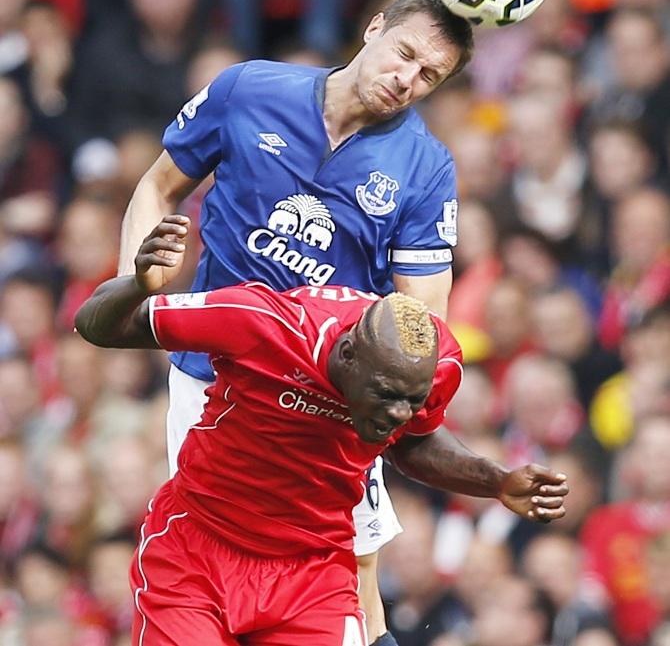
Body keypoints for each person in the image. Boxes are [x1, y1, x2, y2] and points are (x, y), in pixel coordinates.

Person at [117, 0, 474, 645]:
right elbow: (158, 185)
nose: (408, 79)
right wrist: (133, 285)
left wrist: (388, 397)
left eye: (430, 75)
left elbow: (425, 322)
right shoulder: (248, 91)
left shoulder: (425, 168)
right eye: (404, 54)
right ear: (373, 28)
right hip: (214, 379)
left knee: (358, 581)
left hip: (329, 400)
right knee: (241, 564)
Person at [76, 215, 569, 646]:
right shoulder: (261, 323)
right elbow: (98, 326)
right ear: (348, 356)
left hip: (312, 573)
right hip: (199, 552)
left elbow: (412, 444)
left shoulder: (436, 365)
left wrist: (497, 481)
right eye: (386, 395)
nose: (398, 413)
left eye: (410, 400)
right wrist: (138, 286)